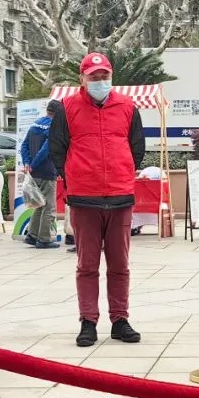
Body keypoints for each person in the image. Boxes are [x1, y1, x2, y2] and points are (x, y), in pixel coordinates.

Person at [49, 51, 146, 347]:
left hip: (120, 196)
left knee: (120, 265)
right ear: (82, 79)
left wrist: (121, 171)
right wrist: (75, 176)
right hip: (84, 198)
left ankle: (120, 320)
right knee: (87, 265)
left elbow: (137, 148)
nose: (100, 81)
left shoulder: (127, 107)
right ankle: (88, 321)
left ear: (111, 76)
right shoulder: (67, 108)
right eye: (94, 77)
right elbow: (57, 149)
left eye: (104, 76)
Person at [20, 101, 60, 249]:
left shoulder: (35, 125)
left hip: (34, 173)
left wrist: (27, 163)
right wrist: (34, 165)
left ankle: (32, 235)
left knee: (39, 204)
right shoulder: (53, 127)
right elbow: (45, 150)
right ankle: (44, 239)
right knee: (49, 207)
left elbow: (24, 145)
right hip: (47, 171)